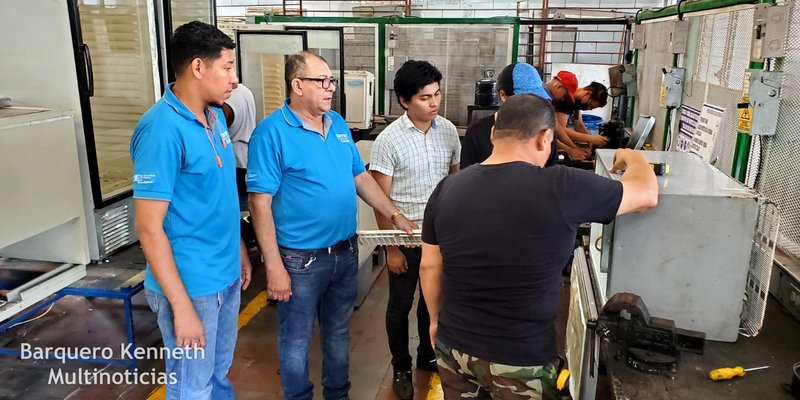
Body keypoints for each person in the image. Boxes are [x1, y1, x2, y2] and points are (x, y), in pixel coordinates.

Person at [419, 95, 658, 399]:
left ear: (494, 134)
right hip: (520, 358)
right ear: (545, 138)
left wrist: (436, 320)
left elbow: (429, 265)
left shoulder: (446, 188)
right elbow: (647, 195)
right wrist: (633, 157)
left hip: (454, 348)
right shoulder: (562, 186)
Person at [247, 51, 416, 400]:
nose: (330, 88)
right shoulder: (272, 133)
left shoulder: (337, 124)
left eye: (331, 81)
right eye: (321, 81)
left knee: (338, 332)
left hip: (344, 250)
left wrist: (396, 216)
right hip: (299, 260)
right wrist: (274, 267)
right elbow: (259, 203)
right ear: (297, 85)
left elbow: (361, 178)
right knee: (295, 338)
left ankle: (338, 395)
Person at [131, 21, 249, 399]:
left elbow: (217, 197)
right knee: (191, 386)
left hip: (225, 275)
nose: (234, 79)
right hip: (192, 286)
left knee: (217, 376)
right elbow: (148, 228)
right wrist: (181, 307)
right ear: (198, 67)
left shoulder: (214, 118)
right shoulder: (162, 129)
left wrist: (240, 250)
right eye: (228, 67)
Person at [369, 60, 460, 400]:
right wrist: (390, 247)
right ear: (405, 101)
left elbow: (454, 181)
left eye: (437, 94)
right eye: (425, 97)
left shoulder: (449, 131)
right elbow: (380, 198)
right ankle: (402, 366)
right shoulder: (389, 140)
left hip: (439, 237)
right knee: (400, 304)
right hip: (403, 240)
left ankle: (426, 354)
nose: (434, 103)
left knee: (431, 302)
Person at [460, 62, 552, 169]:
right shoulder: (476, 133)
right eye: (524, 100)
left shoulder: (545, 134)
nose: (531, 105)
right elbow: (466, 179)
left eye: (537, 99)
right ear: (503, 95)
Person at [222, 82, 259, 257]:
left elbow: (217, 130)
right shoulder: (245, 90)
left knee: (236, 210)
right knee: (249, 208)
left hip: (234, 164)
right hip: (246, 160)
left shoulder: (226, 103)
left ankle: (245, 242)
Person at [549, 71, 610, 152]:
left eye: (590, 108)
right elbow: (561, 129)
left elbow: (578, 124)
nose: (588, 108)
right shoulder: (565, 100)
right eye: (589, 105)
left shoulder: (576, 102)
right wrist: (588, 140)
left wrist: (591, 141)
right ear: (588, 93)